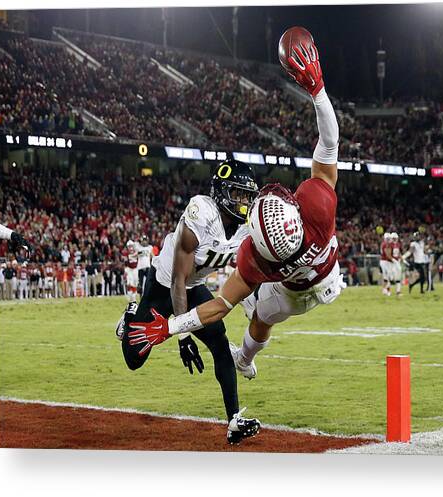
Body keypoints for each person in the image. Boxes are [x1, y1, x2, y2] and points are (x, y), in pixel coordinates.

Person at [127, 32, 345, 387]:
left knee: (261, 316)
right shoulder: (318, 212)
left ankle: (244, 358)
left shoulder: (255, 258)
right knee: (257, 310)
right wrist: (318, 89)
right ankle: (243, 358)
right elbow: (331, 143)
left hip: (288, 295)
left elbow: (215, 307)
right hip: (328, 274)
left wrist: (169, 327)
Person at [117, 160, 261, 445]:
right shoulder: (201, 213)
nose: (244, 202)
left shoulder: (248, 226)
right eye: (238, 194)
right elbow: (177, 281)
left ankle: (234, 420)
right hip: (165, 285)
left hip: (193, 287)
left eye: (248, 196)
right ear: (221, 193)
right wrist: (182, 336)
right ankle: (132, 316)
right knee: (134, 359)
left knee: (220, 343)